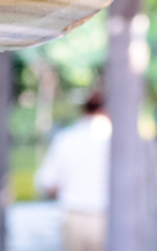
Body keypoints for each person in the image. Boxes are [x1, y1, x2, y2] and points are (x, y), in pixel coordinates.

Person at [35, 91, 111, 251]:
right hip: (108, 217)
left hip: (74, 216)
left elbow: (46, 182)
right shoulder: (118, 142)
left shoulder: (65, 139)